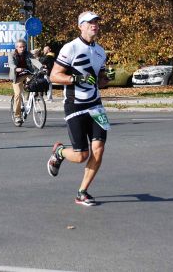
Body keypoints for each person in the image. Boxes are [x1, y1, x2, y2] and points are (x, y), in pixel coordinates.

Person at [47, 11, 110, 206]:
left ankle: (82, 192)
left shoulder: (101, 51)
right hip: (75, 104)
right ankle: (59, 153)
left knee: (98, 150)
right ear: (80, 26)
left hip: (95, 104)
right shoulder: (70, 48)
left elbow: (101, 80)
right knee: (82, 155)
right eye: (90, 22)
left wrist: (105, 79)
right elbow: (54, 76)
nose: (94, 25)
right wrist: (76, 79)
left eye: (96, 22)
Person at [8, 39, 41, 125]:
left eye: (23, 46)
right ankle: (17, 116)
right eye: (20, 47)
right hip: (17, 76)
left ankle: (31, 97)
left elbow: (34, 61)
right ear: (16, 47)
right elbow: (11, 64)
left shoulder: (27, 53)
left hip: (27, 73)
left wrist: (42, 67)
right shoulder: (12, 54)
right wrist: (16, 68)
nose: (22, 48)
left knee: (34, 83)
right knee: (18, 94)